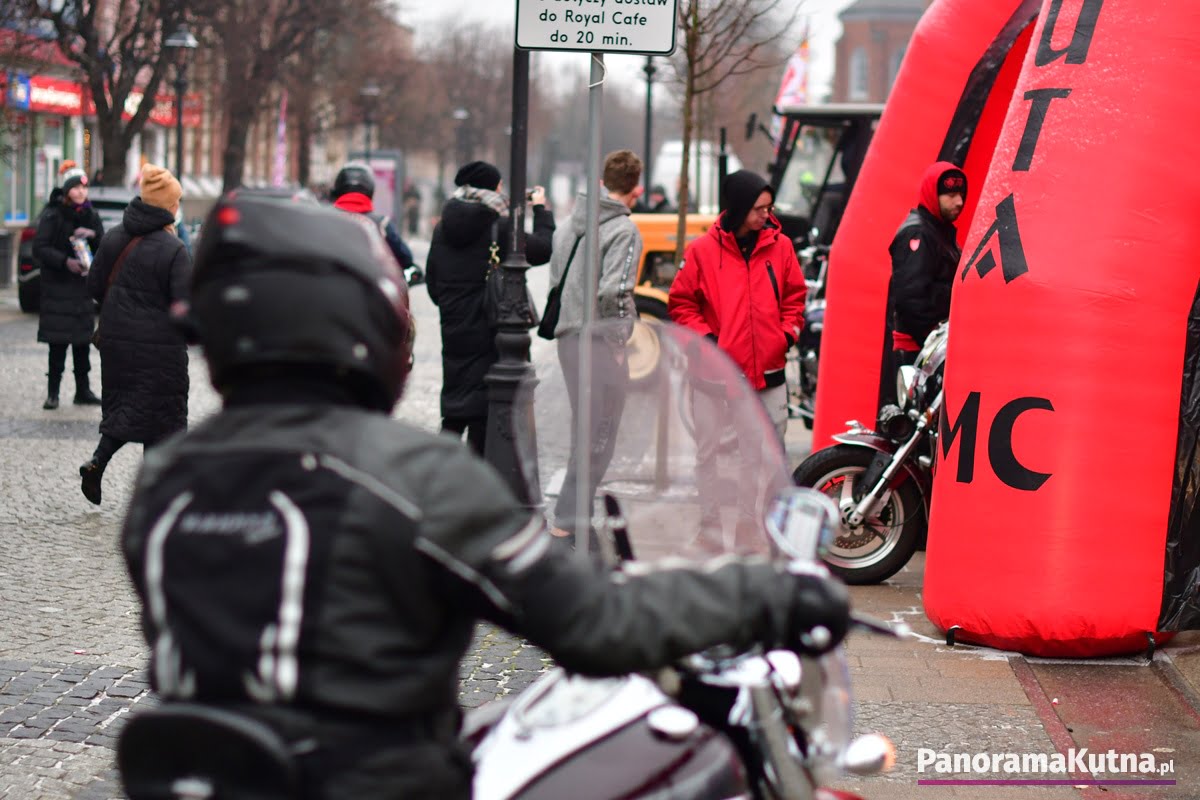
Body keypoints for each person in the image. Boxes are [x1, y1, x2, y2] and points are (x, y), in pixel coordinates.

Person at [118, 192, 851, 799]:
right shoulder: (413, 477)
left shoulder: (167, 480)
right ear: (360, 319)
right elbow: (596, 622)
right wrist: (765, 591)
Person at [668, 170, 806, 540]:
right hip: (714, 374)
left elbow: (795, 298)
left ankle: (749, 523)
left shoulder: (781, 247)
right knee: (708, 453)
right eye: (759, 208)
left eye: (769, 207)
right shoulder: (701, 251)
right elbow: (681, 304)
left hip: (767, 373)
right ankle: (710, 524)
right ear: (739, 207)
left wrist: (785, 336)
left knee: (758, 454)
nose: (766, 215)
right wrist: (708, 343)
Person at [79, 163, 193, 506]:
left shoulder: (115, 236)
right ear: (167, 205)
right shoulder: (174, 249)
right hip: (161, 349)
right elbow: (184, 304)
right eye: (175, 202)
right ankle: (153, 494)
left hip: (116, 343)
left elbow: (94, 286)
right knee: (163, 421)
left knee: (125, 410)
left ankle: (98, 462)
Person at [546, 149, 644, 541]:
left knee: (585, 430)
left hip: (569, 338)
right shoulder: (623, 230)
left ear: (603, 181)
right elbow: (613, 293)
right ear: (636, 188)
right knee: (600, 435)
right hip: (599, 343)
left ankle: (576, 521)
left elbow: (556, 279)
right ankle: (566, 522)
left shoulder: (570, 224)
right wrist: (619, 342)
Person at [425, 160, 555, 454]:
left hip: (454, 328)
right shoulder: (500, 227)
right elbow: (544, 248)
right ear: (492, 188)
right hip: (489, 329)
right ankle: (473, 474)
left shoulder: (443, 227)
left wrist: (453, 307)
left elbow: (433, 281)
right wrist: (541, 210)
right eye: (499, 185)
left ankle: (437, 470)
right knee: (483, 411)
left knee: (456, 405)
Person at [33, 164, 104, 410]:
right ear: (66, 191)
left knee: (82, 343)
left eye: (84, 187)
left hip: (82, 290)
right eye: (76, 187)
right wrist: (65, 262)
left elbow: (103, 247)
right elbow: (40, 248)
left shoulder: (91, 214)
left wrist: (93, 234)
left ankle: (83, 390)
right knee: (58, 344)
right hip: (58, 289)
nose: (81, 192)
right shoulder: (53, 214)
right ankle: (53, 393)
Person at [886, 161, 966, 376]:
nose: (959, 201)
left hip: (933, 346)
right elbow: (911, 297)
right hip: (919, 350)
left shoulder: (940, 232)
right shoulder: (918, 233)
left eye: (961, 194)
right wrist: (935, 340)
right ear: (933, 194)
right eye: (951, 195)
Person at [329, 162, 415, 272]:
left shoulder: (324, 219)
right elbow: (406, 258)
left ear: (337, 189)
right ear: (370, 190)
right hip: (368, 281)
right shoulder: (382, 224)